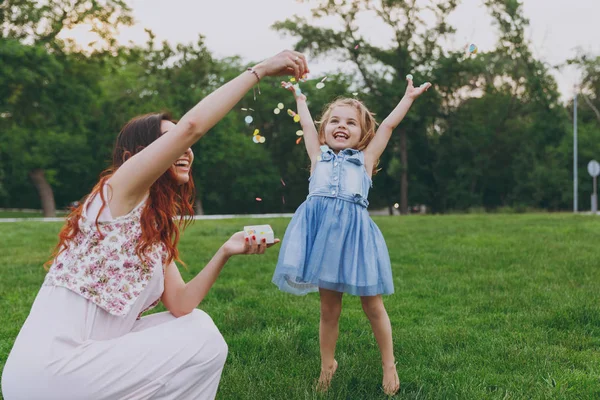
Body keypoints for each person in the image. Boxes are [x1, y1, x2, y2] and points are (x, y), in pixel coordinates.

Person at [1, 50, 309, 400]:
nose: (185, 147)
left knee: (193, 325)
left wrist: (226, 251)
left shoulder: (151, 228)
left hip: (77, 371)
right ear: (137, 156)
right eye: (170, 140)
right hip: (49, 372)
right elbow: (193, 127)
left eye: (181, 140)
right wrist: (260, 69)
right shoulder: (116, 193)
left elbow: (180, 304)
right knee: (203, 337)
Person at [272, 76, 431, 395]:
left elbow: (387, 127)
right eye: (334, 121)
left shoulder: (366, 160)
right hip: (324, 247)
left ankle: (389, 363)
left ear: (362, 134)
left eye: (350, 123)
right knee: (329, 310)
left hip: (356, 244)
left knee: (373, 306)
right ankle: (327, 366)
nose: (341, 126)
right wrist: (300, 100)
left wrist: (408, 99)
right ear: (324, 129)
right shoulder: (318, 157)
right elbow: (305, 126)